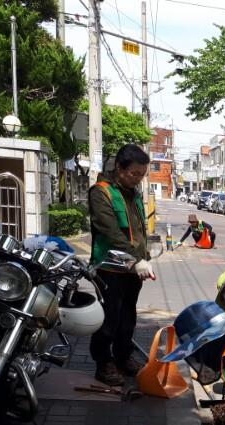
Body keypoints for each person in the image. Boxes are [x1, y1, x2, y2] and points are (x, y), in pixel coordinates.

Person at [88, 143, 155, 386]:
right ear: (119, 167)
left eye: (142, 175)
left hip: (132, 271)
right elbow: (112, 232)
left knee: (128, 317)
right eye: (134, 174)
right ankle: (104, 363)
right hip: (109, 268)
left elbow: (138, 231)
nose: (137, 179)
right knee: (109, 318)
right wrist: (136, 260)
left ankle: (123, 356)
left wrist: (143, 258)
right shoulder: (101, 192)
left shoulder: (134, 193)